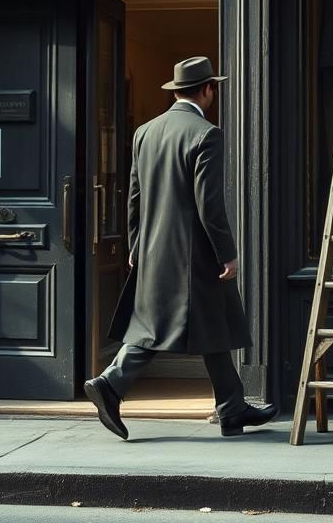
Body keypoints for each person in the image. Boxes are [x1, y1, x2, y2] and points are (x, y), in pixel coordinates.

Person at [84, 56, 277, 440]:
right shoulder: (205, 133)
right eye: (213, 89)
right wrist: (227, 252)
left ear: (176, 91)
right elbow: (210, 204)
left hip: (154, 251)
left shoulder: (144, 132)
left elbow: (134, 197)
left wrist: (136, 245)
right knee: (162, 327)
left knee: (212, 323)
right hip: (195, 256)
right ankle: (110, 384)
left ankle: (232, 407)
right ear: (208, 90)